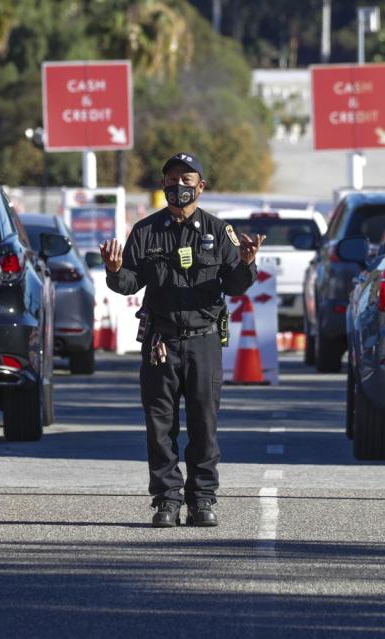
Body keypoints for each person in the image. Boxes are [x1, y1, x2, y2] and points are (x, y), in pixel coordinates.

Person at [100, 152, 264, 528]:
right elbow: (129, 282)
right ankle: (167, 500)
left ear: (201, 187)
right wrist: (113, 270)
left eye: (187, 182)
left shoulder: (219, 232)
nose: (180, 188)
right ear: (163, 185)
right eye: (172, 180)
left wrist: (247, 263)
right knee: (160, 425)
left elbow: (235, 286)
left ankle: (203, 499)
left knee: (204, 424)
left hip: (204, 341)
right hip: (161, 342)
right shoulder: (146, 231)